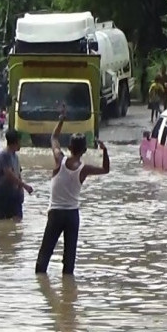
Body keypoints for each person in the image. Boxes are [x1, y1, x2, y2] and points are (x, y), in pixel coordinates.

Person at [35, 109, 110, 275]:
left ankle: (40, 288)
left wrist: (61, 120)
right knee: (69, 258)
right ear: (84, 150)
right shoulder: (84, 169)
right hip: (72, 215)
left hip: (55, 213)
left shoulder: (59, 160)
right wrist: (104, 150)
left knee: (45, 253)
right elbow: (105, 169)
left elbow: (54, 138)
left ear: (69, 147)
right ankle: (68, 291)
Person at [0, 129, 33, 221]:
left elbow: (18, 174)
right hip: (1, 194)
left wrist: (20, 191)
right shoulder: (4, 155)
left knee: (17, 219)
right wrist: (25, 186)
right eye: (20, 141)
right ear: (16, 142)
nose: (21, 144)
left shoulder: (15, 156)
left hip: (12, 194)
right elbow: (9, 174)